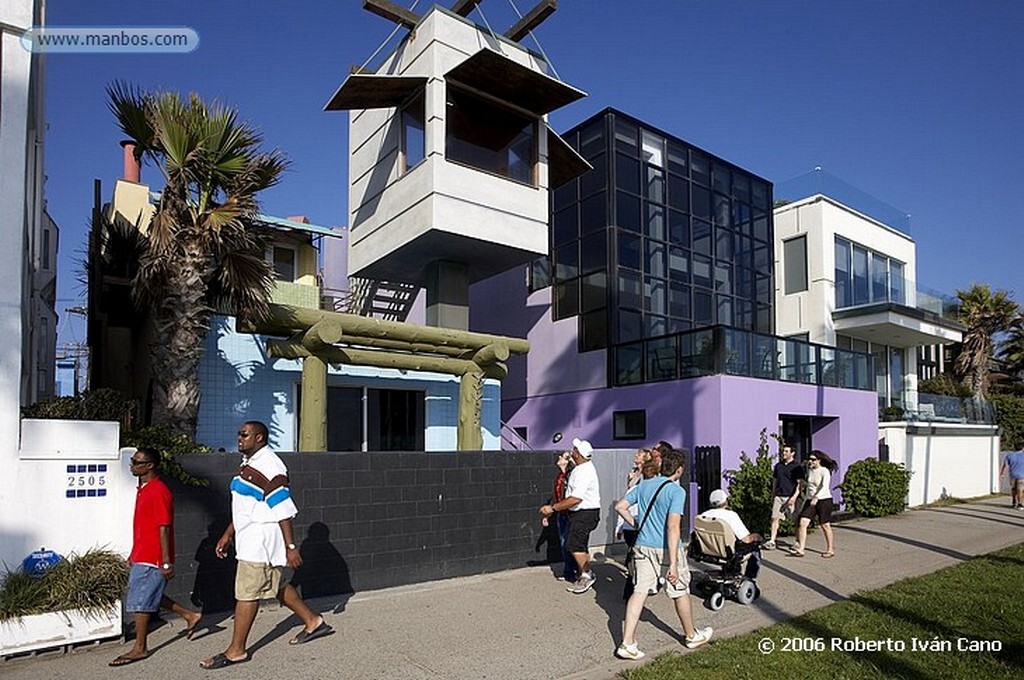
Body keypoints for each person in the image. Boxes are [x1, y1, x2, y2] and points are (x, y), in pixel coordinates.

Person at [200, 421, 332, 670]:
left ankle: (236, 650)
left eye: (244, 435)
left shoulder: (270, 465)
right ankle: (314, 621)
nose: (239, 438)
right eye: (239, 434)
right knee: (278, 585)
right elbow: (246, 506)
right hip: (249, 537)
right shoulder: (249, 464)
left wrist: (290, 546)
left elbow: (282, 509)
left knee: (247, 593)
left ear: (259, 438)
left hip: (259, 543)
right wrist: (228, 534)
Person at [613, 448, 713, 660]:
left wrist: (638, 524)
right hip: (667, 549)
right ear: (679, 469)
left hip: (643, 545)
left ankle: (627, 643)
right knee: (679, 590)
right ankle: (691, 635)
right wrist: (674, 563)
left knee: (638, 592)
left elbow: (621, 507)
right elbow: (673, 527)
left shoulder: (645, 484)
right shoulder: (676, 491)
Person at [109, 447, 201, 667]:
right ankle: (190, 615)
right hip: (142, 554)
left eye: (136, 462)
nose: (132, 465)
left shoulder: (159, 491)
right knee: (150, 594)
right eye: (132, 461)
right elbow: (143, 527)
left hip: (153, 557)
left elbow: (163, 528)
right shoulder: (144, 489)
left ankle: (140, 648)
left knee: (141, 601)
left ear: (150, 465)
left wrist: (166, 561)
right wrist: (134, 553)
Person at [539, 438, 600, 594]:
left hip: (585, 513)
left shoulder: (585, 471)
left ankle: (587, 575)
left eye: (575, 449)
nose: (572, 450)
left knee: (573, 545)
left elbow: (575, 498)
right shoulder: (579, 469)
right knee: (579, 545)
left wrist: (552, 508)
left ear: (579, 454)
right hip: (580, 513)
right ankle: (583, 573)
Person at [698, 489, 763, 579]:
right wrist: (757, 537)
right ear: (725, 502)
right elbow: (746, 539)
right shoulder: (731, 515)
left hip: (708, 551)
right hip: (727, 551)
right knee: (755, 547)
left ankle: (729, 572)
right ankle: (750, 578)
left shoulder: (703, 516)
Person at [789, 450, 838, 558]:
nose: (810, 462)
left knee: (825, 525)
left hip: (823, 500)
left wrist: (817, 497)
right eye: (809, 460)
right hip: (810, 500)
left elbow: (824, 486)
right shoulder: (810, 471)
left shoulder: (824, 471)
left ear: (819, 460)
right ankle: (801, 549)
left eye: (813, 460)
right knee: (803, 523)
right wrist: (805, 500)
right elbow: (808, 488)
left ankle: (830, 549)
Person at [543, 450, 577, 582]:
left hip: (569, 513)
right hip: (560, 513)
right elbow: (555, 496)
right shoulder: (560, 476)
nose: (559, 457)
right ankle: (569, 571)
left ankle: (575, 571)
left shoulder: (571, 476)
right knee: (563, 542)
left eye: (562, 456)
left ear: (567, 461)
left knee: (568, 543)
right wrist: (548, 513)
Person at [765, 445, 804, 549]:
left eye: (786, 451)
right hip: (779, 496)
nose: (784, 453)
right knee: (774, 518)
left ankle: (797, 541)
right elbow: (775, 481)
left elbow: (800, 484)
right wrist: (773, 494)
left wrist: (794, 497)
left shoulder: (797, 467)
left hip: (791, 496)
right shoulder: (778, 466)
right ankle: (772, 541)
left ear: (792, 453)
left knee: (795, 520)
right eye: (783, 451)